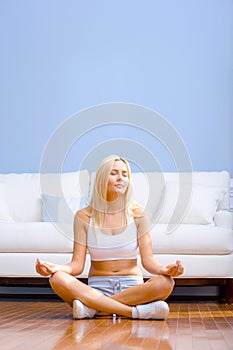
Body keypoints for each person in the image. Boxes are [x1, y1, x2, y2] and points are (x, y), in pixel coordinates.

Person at [36, 155, 184, 320]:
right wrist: (56, 268)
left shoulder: (139, 215)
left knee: (166, 282)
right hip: (97, 288)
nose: (121, 178)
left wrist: (165, 270)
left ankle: (93, 309)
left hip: (133, 288)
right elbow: (77, 266)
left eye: (125, 174)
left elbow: (148, 261)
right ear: (101, 178)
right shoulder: (83, 217)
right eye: (114, 173)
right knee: (57, 279)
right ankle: (134, 312)